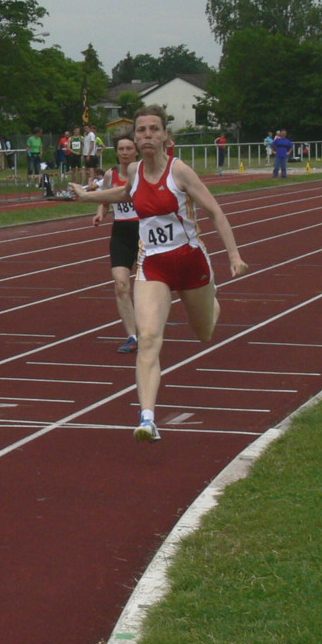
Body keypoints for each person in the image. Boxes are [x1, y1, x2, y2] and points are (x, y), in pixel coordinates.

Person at [72, 106, 249, 442]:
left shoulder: (179, 171)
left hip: (191, 262)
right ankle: (147, 419)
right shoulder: (134, 170)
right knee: (149, 338)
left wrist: (234, 255)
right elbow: (124, 193)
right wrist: (88, 196)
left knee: (204, 333)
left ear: (165, 135)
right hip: (153, 264)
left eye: (154, 129)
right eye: (141, 130)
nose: (147, 135)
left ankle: (211, 302)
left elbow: (215, 212)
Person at [93, 134, 141, 355]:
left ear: (136, 151)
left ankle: (149, 328)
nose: (125, 152)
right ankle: (132, 336)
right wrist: (100, 213)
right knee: (121, 284)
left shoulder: (144, 173)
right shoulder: (110, 175)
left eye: (129, 148)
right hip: (121, 232)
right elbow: (105, 200)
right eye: (121, 149)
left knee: (148, 286)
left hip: (144, 232)